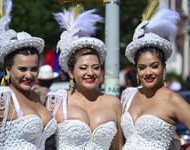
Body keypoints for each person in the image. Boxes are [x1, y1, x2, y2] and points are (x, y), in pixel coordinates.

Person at [46, 5, 123, 150]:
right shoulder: (57, 102)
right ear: (70, 72)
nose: (90, 73)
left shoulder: (113, 102)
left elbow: (118, 147)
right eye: (83, 68)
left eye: (96, 67)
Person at [120, 0, 190, 149]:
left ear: (164, 68)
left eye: (154, 66)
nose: (148, 72)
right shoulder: (128, 95)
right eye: (142, 67)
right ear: (137, 70)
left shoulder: (173, 100)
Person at [0, 0, 57, 149]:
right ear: (8, 69)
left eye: (33, 69)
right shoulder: (1, 98)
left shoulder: (35, 96)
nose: (29, 75)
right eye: (22, 69)